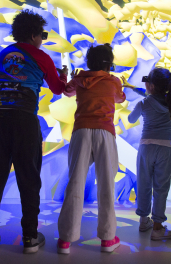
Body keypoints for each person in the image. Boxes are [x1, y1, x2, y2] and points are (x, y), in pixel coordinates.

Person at [0, 9, 68, 254]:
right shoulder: (42, 56)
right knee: (29, 177)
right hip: (24, 120)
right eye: (43, 34)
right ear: (34, 35)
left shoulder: (5, 54)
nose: (43, 39)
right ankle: (29, 237)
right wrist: (64, 77)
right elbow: (59, 90)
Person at [57, 43, 125, 254]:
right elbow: (120, 98)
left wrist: (64, 76)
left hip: (81, 133)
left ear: (89, 62)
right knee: (106, 184)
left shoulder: (79, 79)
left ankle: (65, 241)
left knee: (75, 183)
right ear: (109, 63)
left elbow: (66, 91)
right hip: (105, 133)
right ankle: (107, 239)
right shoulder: (113, 82)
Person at [122, 67, 171, 240]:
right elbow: (150, 95)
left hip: (146, 148)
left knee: (144, 184)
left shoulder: (143, 103)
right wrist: (134, 88)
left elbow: (131, 119)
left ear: (151, 86)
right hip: (165, 149)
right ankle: (157, 227)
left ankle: (143, 221)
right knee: (161, 188)